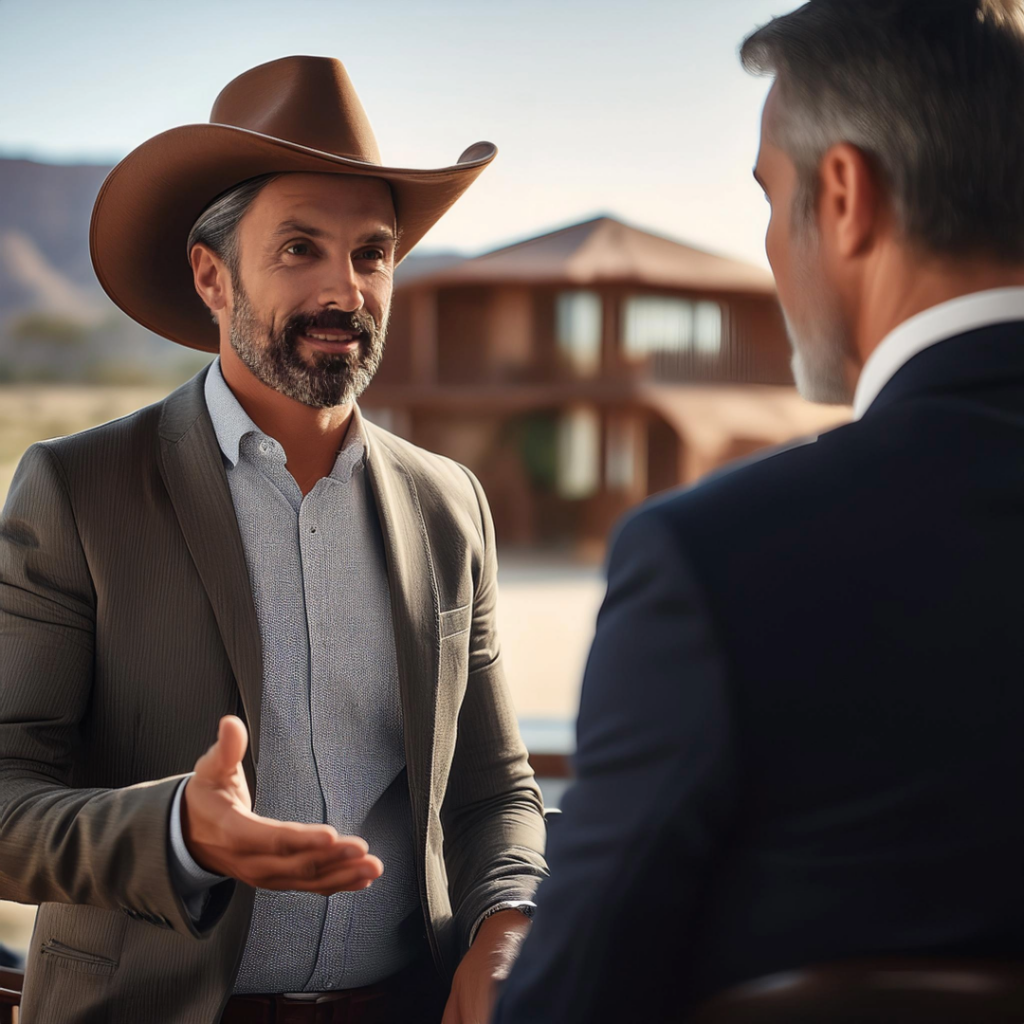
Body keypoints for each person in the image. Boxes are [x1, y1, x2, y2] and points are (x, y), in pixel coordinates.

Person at [494, 1, 1024, 1020]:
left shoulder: (713, 563)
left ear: (842, 195)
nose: (769, 252)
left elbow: (570, 998)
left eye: (768, 196)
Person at [0, 56, 547, 1024]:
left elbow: (493, 787)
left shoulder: (448, 503)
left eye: (372, 253)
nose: (346, 289)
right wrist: (177, 831)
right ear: (212, 275)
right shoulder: (78, 490)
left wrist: (508, 919)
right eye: (300, 248)